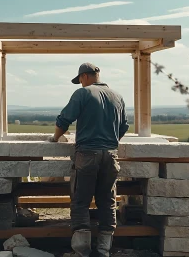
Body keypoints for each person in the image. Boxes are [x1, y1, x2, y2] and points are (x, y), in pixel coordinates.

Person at [49, 62, 129, 257]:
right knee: (107, 201)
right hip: (110, 155)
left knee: (80, 201)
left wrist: (55, 138)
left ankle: (82, 251)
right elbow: (123, 127)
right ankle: (104, 250)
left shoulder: (83, 94)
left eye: (80, 81)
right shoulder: (117, 96)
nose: (80, 84)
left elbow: (64, 120)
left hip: (86, 154)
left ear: (84, 77)